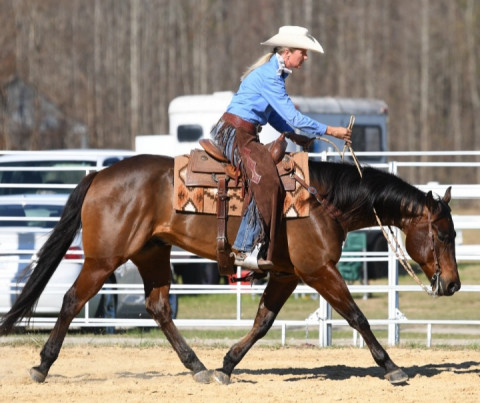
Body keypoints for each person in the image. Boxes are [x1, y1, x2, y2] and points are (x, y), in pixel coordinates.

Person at [210, 25, 352, 271]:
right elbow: (293, 117)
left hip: (243, 133)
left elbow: (274, 116)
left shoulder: (273, 75)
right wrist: (332, 130)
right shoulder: (270, 77)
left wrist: (295, 136)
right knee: (266, 178)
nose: (305, 58)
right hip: (235, 134)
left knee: (267, 174)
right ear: (287, 53)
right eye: (303, 52)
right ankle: (244, 247)